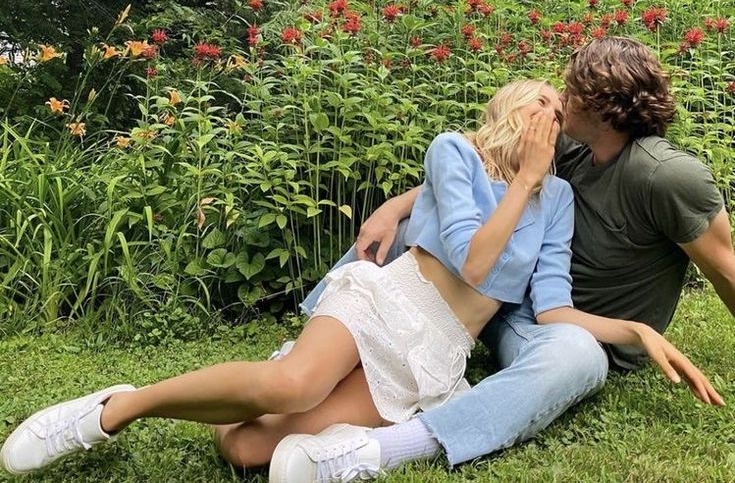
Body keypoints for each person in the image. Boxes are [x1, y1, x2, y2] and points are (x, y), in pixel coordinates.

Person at [0, 77, 720, 478]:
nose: (550, 115)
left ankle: (235, 394)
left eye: (558, 114)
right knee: (293, 386)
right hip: (389, 299)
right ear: (507, 108)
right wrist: (523, 177)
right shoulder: (456, 155)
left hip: (436, 347)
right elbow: (474, 259)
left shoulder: (554, 196)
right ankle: (110, 412)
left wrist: (627, 328)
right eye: (540, 101)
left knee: (248, 447)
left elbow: (554, 305)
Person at [263, 36, 735, 483]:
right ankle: (311, 347)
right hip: (496, 287)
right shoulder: (572, 146)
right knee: (411, 229)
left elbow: (725, 268)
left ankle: (380, 449)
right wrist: (394, 208)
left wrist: (637, 331)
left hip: (561, 321)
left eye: (569, 90)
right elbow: (478, 168)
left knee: (578, 355)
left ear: (603, 106)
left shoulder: (667, 176)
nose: (559, 100)